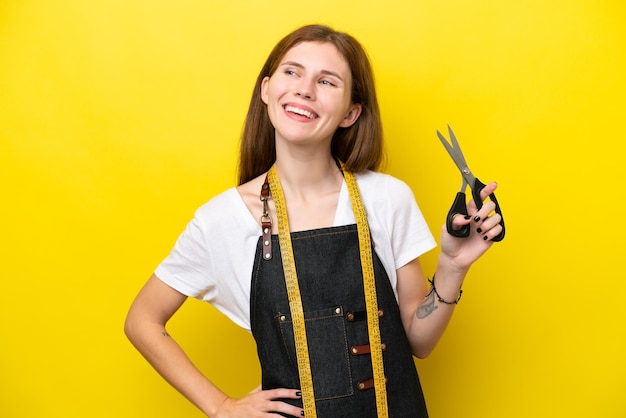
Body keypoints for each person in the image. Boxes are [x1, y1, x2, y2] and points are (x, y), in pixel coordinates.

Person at [124, 24, 503, 418]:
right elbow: (142, 320)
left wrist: (452, 266)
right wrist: (220, 406)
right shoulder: (221, 220)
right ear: (266, 89)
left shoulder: (387, 198)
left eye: (327, 81)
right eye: (292, 72)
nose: (305, 89)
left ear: (350, 113)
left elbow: (418, 342)